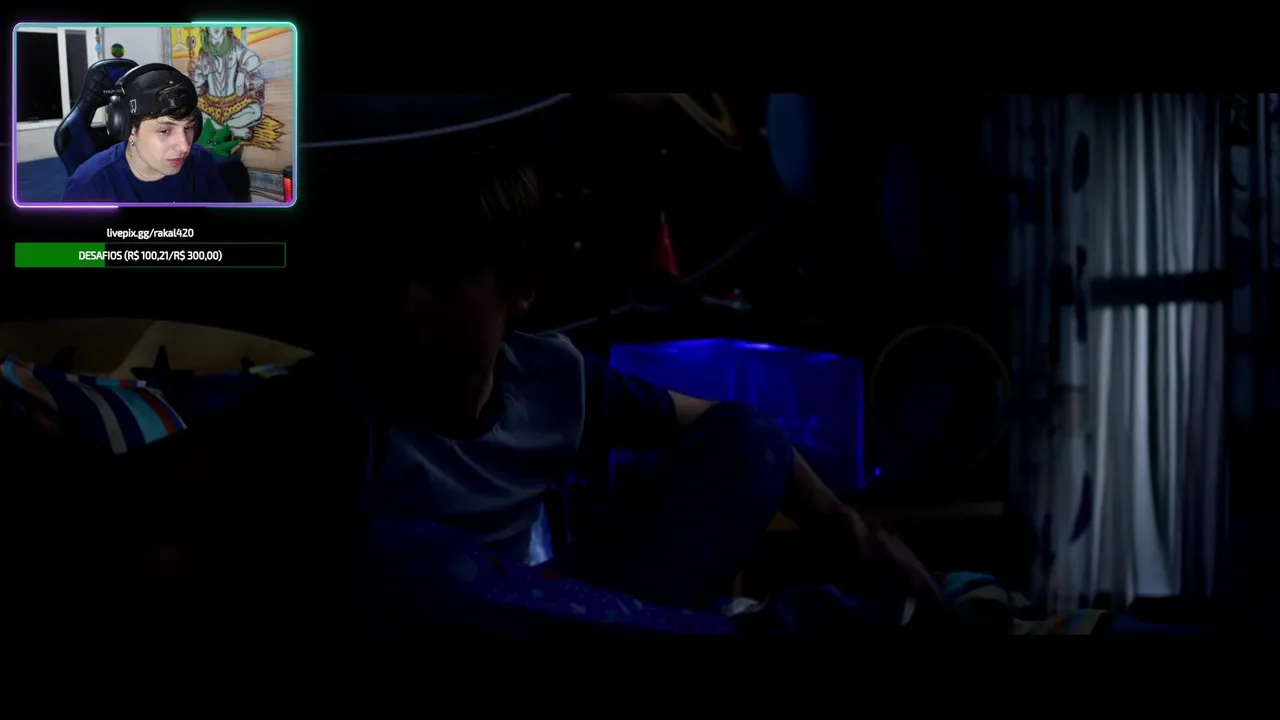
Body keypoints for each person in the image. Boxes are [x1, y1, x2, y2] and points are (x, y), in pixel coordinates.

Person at [61, 64, 232, 204]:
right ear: (129, 130)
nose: (185, 147)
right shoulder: (87, 186)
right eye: (165, 130)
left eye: (188, 127)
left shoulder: (201, 161)